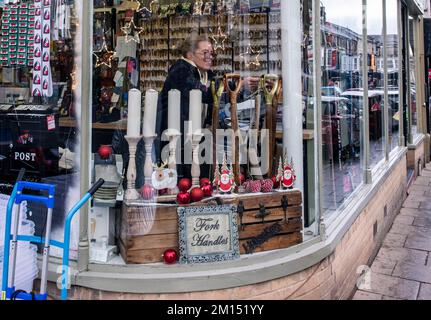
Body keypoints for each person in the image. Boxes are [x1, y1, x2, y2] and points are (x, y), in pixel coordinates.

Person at [157, 32, 259, 179]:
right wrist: (239, 86)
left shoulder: (204, 73)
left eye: (211, 53)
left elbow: (219, 87)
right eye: (205, 53)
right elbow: (203, 92)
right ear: (190, 54)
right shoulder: (181, 70)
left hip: (196, 139)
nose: (209, 57)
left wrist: (240, 86)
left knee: (200, 179)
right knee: (181, 180)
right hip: (176, 139)